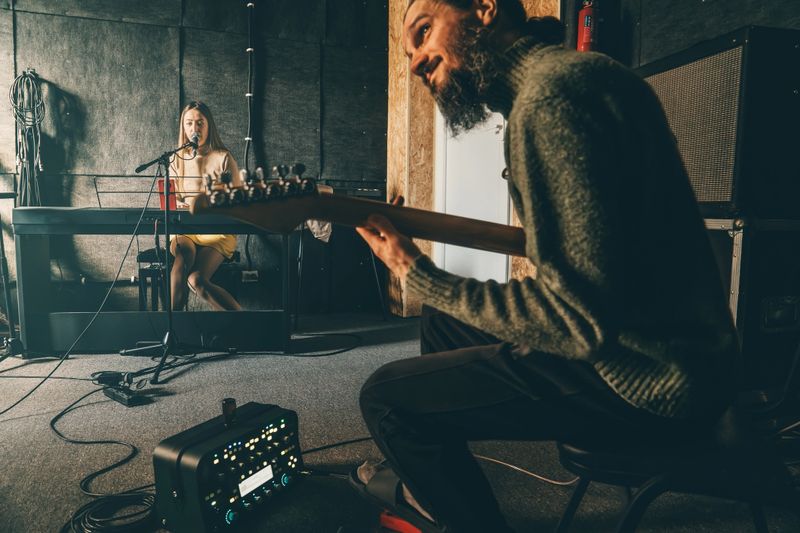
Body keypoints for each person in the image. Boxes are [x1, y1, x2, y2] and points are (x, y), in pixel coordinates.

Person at [352, 1, 740, 532]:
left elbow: (576, 325)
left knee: (385, 398)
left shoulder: (550, 100)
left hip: (650, 379)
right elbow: (592, 248)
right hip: (674, 349)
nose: (417, 61)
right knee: (440, 322)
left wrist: (416, 272)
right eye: (410, 51)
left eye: (424, 32)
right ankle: (445, 483)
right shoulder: (571, 78)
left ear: (484, 9)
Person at [169, 101, 242, 311]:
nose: (195, 129)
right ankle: (172, 330)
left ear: (209, 126)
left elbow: (238, 199)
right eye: (189, 123)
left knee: (197, 280)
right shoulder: (176, 158)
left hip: (217, 231)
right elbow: (172, 197)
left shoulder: (224, 158)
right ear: (183, 127)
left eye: (200, 123)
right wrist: (181, 203)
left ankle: (244, 322)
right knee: (183, 260)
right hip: (186, 229)